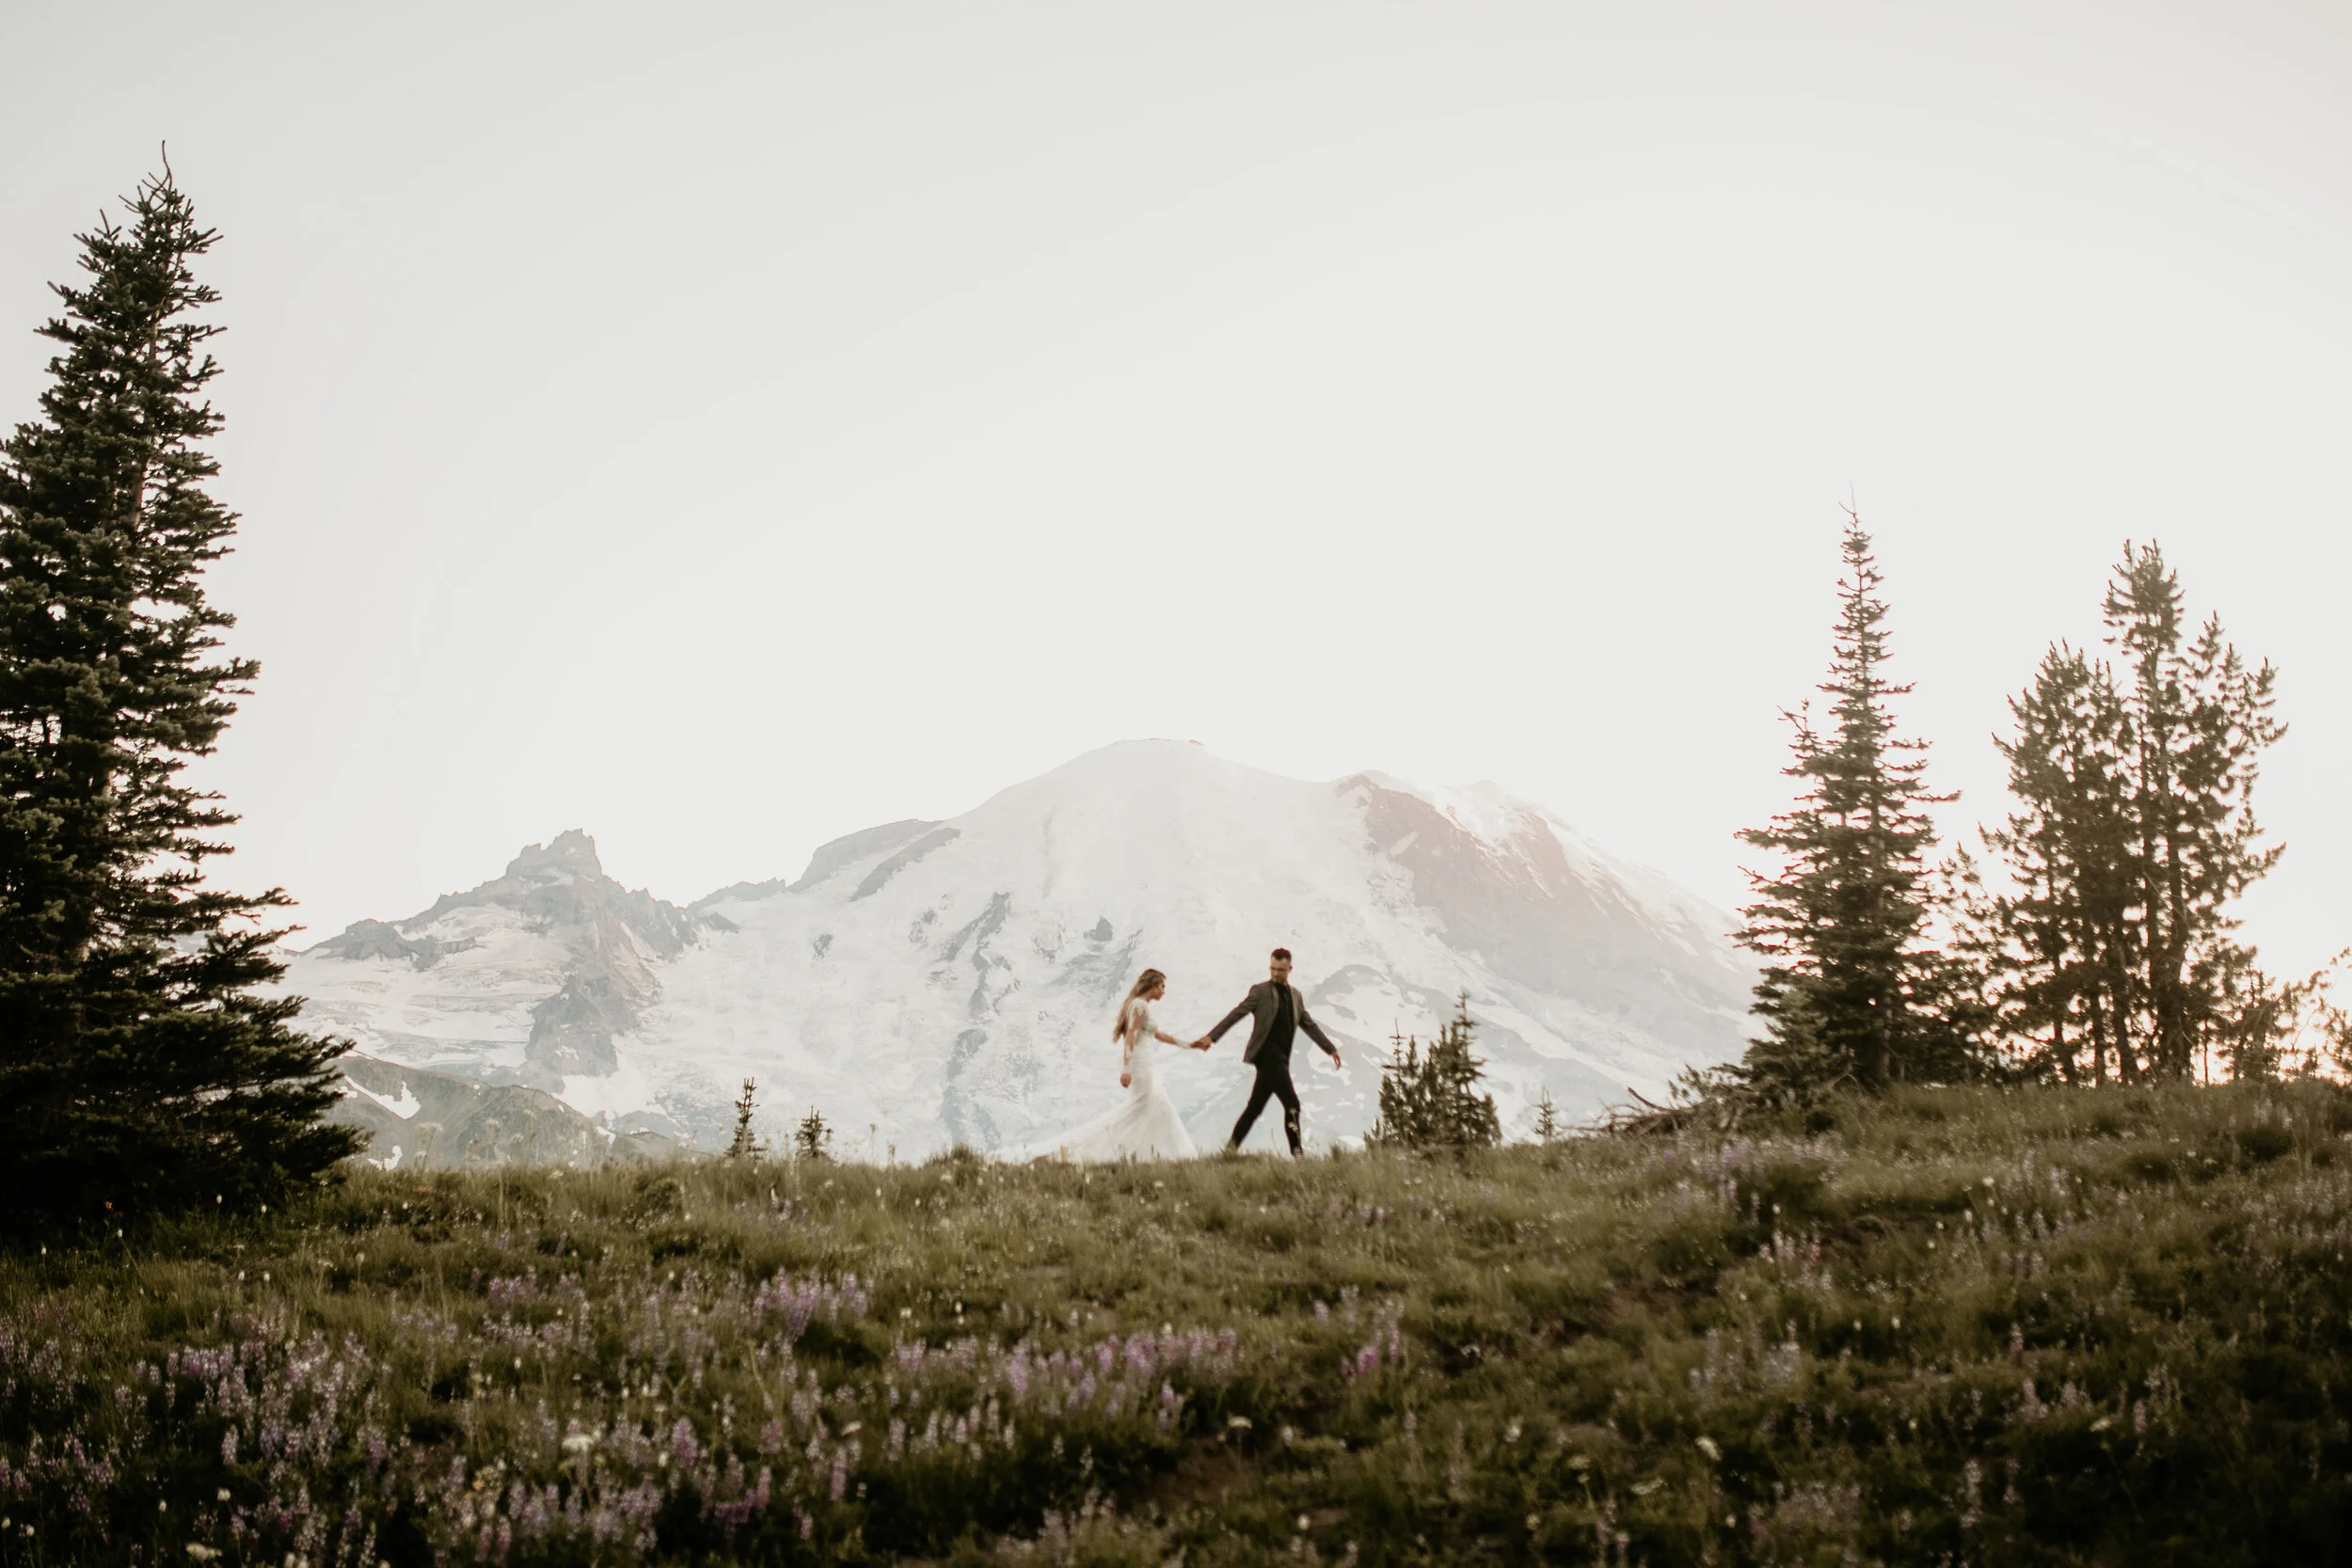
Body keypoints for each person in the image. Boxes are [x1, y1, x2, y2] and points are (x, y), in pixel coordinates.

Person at [1031, 968, 1207, 1162]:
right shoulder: (1139, 1006)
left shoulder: (1140, 1005)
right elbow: (1130, 1036)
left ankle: (1148, 1154)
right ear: (1153, 985)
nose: (1164, 991)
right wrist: (1126, 1069)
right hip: (1139, 1065)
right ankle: (1088, 1150)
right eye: (1162, 986)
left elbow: (1158, 1035)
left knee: (1148, 1109)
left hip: (1144, 1063)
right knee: (1140, 1109)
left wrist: (1189, 1045)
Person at [1197, 947, 1340, 1156]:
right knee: (1292, 1105)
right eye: (1272, 969)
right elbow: (1237, 1013)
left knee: (1254, 1109)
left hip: (1281, 1058)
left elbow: (1308, 1024)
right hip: (1266, 1056)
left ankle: (1228, 1152)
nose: (1275, 974)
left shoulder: (1296, 996)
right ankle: (1297, 1155)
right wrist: (1212, 1037)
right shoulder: (1260, 991)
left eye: (1280, 970)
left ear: (1290, 969)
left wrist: (1330, 1049)